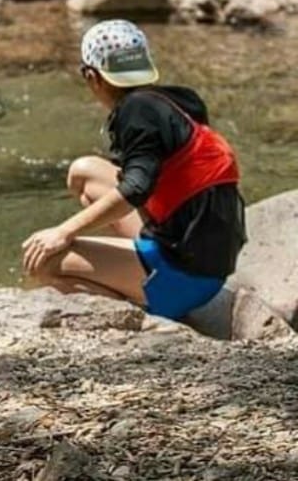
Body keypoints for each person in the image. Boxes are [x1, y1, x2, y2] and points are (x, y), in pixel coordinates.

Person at [22, 19, 246, 321]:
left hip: (186, 276)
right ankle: (129, 269)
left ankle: (137, 312)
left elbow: (136, 188)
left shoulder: (135, 111)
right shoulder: (179, 100)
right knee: (84, 173)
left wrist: (63, 232)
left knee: (44, 262)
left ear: (92, 76)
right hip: (209, 259)